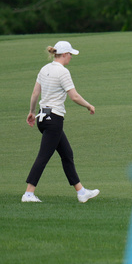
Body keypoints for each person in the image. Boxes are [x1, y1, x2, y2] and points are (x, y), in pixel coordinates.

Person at [22, 41, 100, 203]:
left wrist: (31, 112)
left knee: (67, 154)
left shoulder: (45, 69)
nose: (71, 57)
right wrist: (89, 105)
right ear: (64, 54)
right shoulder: (63, 72)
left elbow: (35, 93)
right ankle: (29, 193)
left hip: (42, 119)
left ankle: (81, 192)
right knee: (43, 156)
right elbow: (74, 96)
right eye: (70, 54)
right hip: (54, 120)